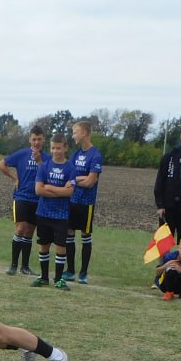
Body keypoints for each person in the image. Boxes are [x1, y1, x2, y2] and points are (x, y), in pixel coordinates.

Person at [0, 126, 45, 275]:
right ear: (30, 139)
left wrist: (40, 163)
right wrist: (14, 178)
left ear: (43, 140)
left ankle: (25, 267)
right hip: (21, 197)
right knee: (20, 228)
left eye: (39, 139)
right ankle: (13, 265)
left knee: (29, 232)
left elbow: (48, 174)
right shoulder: (22, 154)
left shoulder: (47, 158)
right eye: (34, 139)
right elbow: (1, 164)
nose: (36, 142)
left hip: (37, 200)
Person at [31, 134, 75, 290]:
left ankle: (58, 279)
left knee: (61, 246)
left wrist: (49, 187)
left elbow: (69, 192)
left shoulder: (70, 168)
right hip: (43, 213)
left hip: (61, 215)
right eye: (53, 148)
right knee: (43, 245)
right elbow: (38, 190)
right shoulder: (44, 166)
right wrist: (60, 191)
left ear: (65, 148)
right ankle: (43, 277)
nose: (55, 151)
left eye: (59, 148)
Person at [65, 120, 103, 283]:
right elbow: (69, 177)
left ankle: (83, 273)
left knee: (85, 236)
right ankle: (70, 271)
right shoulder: (75, 155)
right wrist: (80, 179)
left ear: (84, 133)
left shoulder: (95, 155)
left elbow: (90, 182)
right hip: (72, 201)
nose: (73, 135)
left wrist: (76, 180)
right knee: (69, 234)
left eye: (75, 132)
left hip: (86, 203)